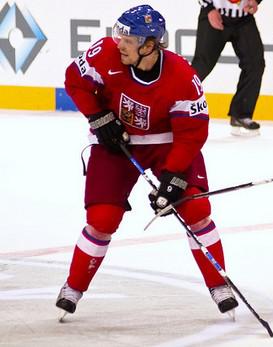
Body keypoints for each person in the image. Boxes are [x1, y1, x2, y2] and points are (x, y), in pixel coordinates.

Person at [56, 5, 238, 319]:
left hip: (167, 144)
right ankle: (73, 287)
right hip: (115, 145)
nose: (120, 42)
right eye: (119, 33)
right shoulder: (105, 53)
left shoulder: (182, 77)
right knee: (102, 219)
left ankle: (218, 284)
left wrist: (174, 175)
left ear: (150, 45)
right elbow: (75, 80)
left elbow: (192, 133)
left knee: (196, 210)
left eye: (129, 38)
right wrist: (98, 117)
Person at [191, 0, 265, 136]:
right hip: (214, 13)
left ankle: (240, 114)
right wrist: (208, 9)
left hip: (244, 18)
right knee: (201, 66)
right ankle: (170, 108)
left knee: (255, 64)